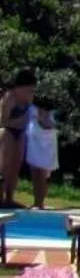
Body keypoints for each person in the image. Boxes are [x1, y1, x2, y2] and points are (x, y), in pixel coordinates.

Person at [1, 71, 35, 209]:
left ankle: (10, 198)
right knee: (5, 166)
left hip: (20, 132)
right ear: (21, 86)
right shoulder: (10, 97)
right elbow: (3, 121)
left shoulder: (28, 97)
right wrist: (20, 121)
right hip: (7, 131)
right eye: (29, 88)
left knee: (16, 166)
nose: (31, 91)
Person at [22, 103, 57, 210]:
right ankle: (36, 201)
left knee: (41, 172)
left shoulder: (46, 106)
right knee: (35, 172)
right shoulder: (30, 105)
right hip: (34, 137)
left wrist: (42, 117)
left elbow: (50, 123)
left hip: (44, 138)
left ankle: (40, 202)